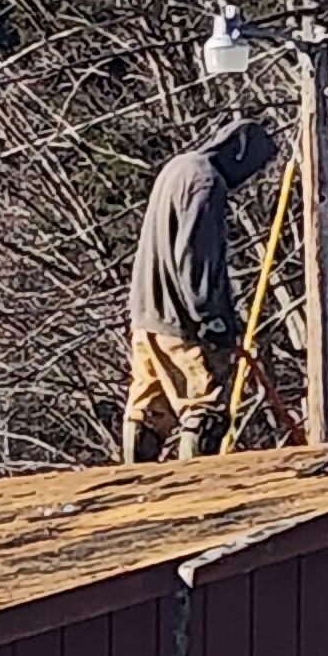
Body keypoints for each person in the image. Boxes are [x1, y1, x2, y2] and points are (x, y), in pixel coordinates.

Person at [124, 119, 284, 460]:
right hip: (181, 321)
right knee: (205, 410)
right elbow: (197, 257)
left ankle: (132, 492)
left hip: (145, 314)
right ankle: (196, 493)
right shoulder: (206, 183)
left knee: (148, 410)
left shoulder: (178, 167)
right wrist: (213, 319)